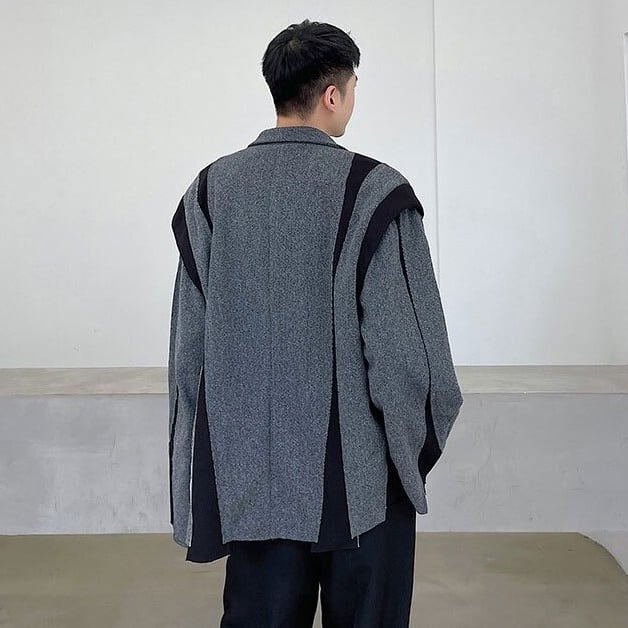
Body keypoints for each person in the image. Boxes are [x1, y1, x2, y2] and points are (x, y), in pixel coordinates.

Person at [167, 18, 463, 627]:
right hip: (361, 488)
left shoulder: (209, 193)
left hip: (252, 485)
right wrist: (409, 460)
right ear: (333, 94)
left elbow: (186, 355)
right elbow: (410, 358)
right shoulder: (375, 193)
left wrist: (201, 474)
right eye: (352, 88)